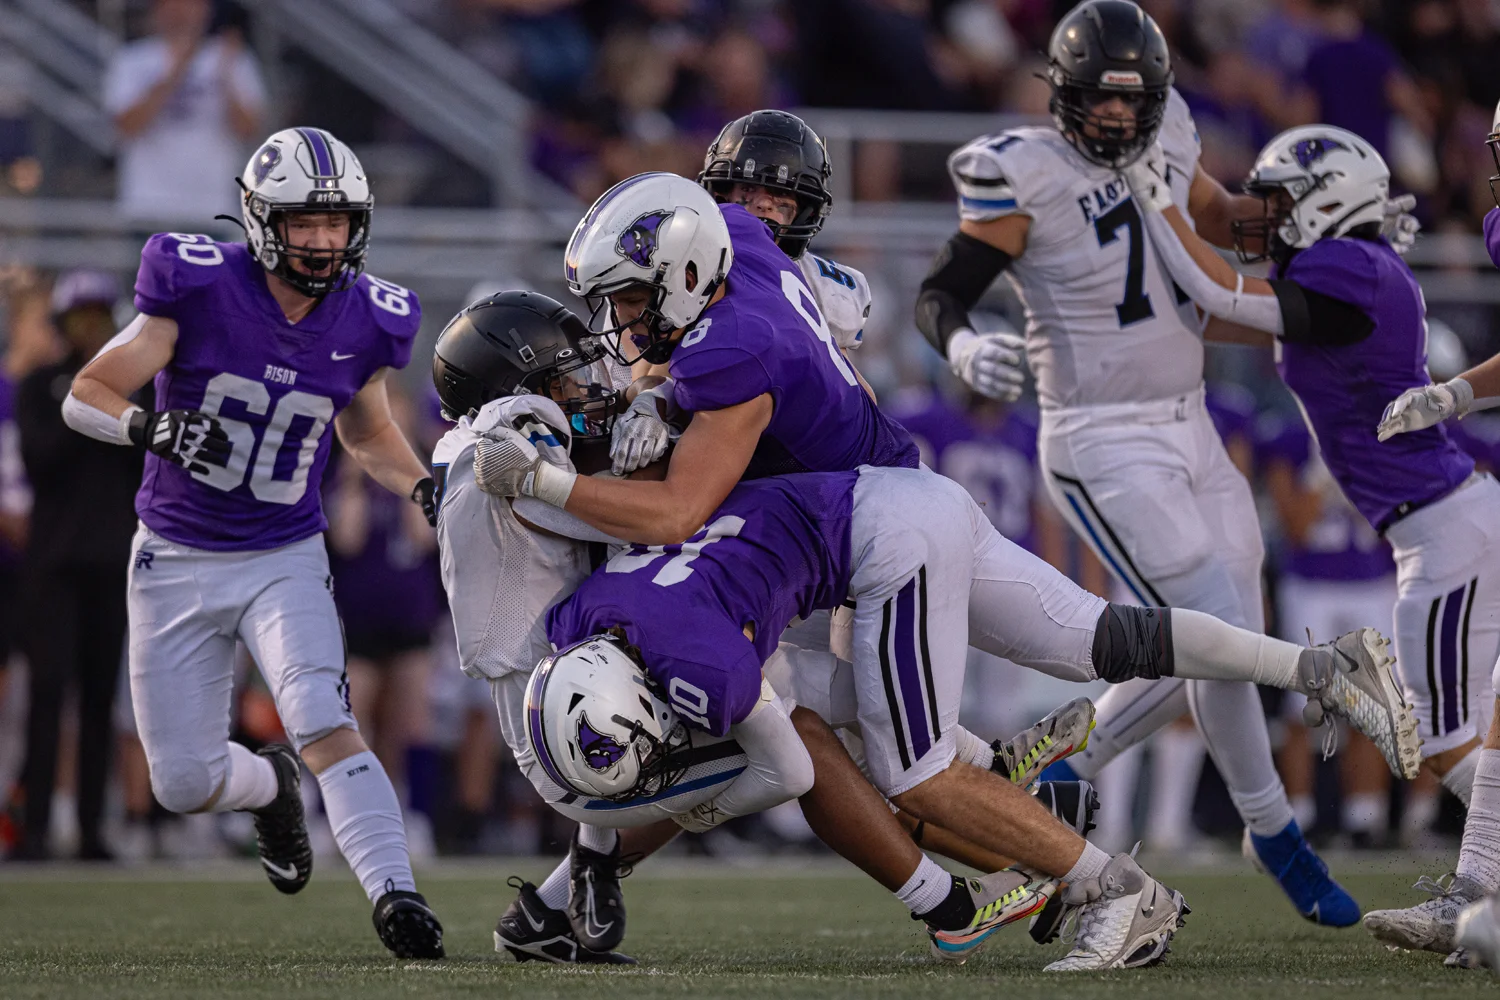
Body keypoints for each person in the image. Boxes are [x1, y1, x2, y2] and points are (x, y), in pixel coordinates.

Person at [465, 283, 1417, 967]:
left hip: (883, 542)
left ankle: (1118, 890)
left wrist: (548, 468)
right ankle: (1318, 668)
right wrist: (643, 407)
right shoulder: (608, 595)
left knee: (910, 770)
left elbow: (780, 755)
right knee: (1098, 639)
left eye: (631, 306)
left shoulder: (715, 375)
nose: (615, 346)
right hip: (905, 499)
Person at [910, 0, 1413, 927]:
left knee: (1229, 631)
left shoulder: (1172, 129)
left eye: (1131, 99)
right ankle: (1270, 827)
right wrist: (962, 343)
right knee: (1217, 631)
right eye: (1099, 98)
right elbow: (945, 287)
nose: (1116, 115)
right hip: (1102, 434)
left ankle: (1070, 776)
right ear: (1062, 93)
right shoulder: (1021, 170)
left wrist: (1342, 223)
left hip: (1192, 422)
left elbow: (1221, 216)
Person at [430, 290, 1099, 964]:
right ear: (512, 391)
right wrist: (666, 416)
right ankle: (950, 906)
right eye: (565, 380)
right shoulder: (504, 439)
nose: (587, 390)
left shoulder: (486, 446)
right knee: (803, 741)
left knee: (869, 706)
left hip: (614, 646)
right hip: (561, 709)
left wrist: (653, 402)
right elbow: (639, 502)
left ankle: (996, 781)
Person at [61, 127, 443, 958]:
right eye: (305, 221)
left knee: (321, 715)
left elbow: (367, 430)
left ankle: (396, 895)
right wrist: (149, 428)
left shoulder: (370, 317)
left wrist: (420, 484)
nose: (323, 240)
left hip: (283, 553)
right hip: (173, 555)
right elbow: (85, 391)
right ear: (263, 219)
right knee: (182, 782)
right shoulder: (196, 283)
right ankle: (269, 786)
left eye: (337, 222)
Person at [1121, 121, 1496, 965]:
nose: (1267, 214)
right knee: (1462, 733)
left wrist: (1152, 194)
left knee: (1442, 738)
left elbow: (1217, 290)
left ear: (1330, 201)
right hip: (1442, 526)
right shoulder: (1341, 272)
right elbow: (1210, 291)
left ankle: (1483, 891)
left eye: (1282, 199)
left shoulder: (1349, 267)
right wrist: (1170, 160)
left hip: (1444, 529)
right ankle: (1481, 893)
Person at [11, 271, 139, 861]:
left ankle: (91, 828)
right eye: (79, 317)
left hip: (112, 564)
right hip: (54, 567)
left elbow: (142, 460)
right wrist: (88, 405)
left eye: (98, 316)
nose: (90, 328)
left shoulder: (136, 389)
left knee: (98, 699)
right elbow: (40, 459)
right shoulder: (41, 385)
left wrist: (112, 406)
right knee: (46, 694)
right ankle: (35, 827)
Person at [103, 0, 266, 225]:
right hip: (149, 206)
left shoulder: (233, 57)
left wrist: (227, 76)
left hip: (214, 207)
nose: (181, 12)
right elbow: (127, 127)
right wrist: (177, 70)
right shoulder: (132, 59)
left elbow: (249, 130)